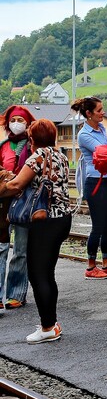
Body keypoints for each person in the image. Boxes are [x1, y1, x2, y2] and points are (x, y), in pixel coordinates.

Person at [0, 119, 72, 343]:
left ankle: (48, 327)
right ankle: (51, 322)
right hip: (62, 219)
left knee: (38, 274)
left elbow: (16, 185)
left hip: (45, 221)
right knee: (47, 273)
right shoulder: (60, 155)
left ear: (32, 139)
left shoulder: (38, 156)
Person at [72, 96, 107, 279]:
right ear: (89, 114)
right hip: (95, 182)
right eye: (99, 110)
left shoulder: (102, 128)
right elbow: (104, 153)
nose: (103, 112)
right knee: (98, 226)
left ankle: (106, 264)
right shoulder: (84, 135)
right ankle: (90, 267)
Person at [0, 105, 33, 309]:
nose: (17, 124)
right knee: (1, 247)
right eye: (14, 120)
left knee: (21, 249)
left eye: (21, 120)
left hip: (24, 201)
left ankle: (16, 294)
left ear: (28, 123)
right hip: (3, 203)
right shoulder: (3, 145)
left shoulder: (32, 145)